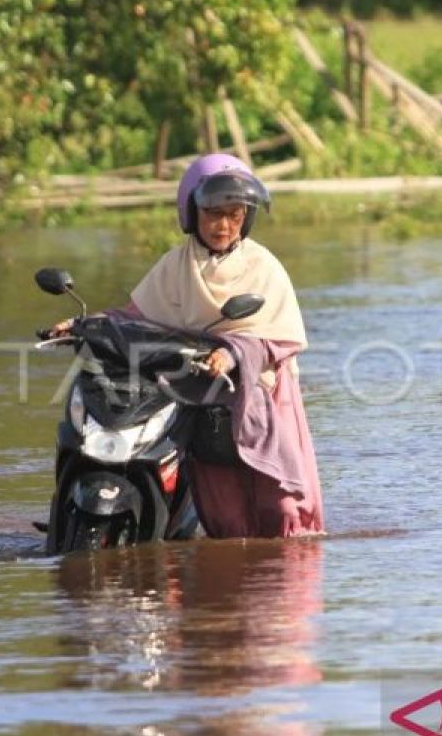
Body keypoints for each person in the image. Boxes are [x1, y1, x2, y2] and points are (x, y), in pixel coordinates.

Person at [49, 154, 324, 538]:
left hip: (261, 397)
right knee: (225, 519)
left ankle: (284, 591)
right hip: (198, 395)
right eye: (213, 213)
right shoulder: (176, 266)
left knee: (282, 508)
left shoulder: (264, 267)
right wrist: (81, 325)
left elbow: (279, 339)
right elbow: (134, 317)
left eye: (235, 214)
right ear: (192, 212)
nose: (224, 225)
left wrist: (230, 353)